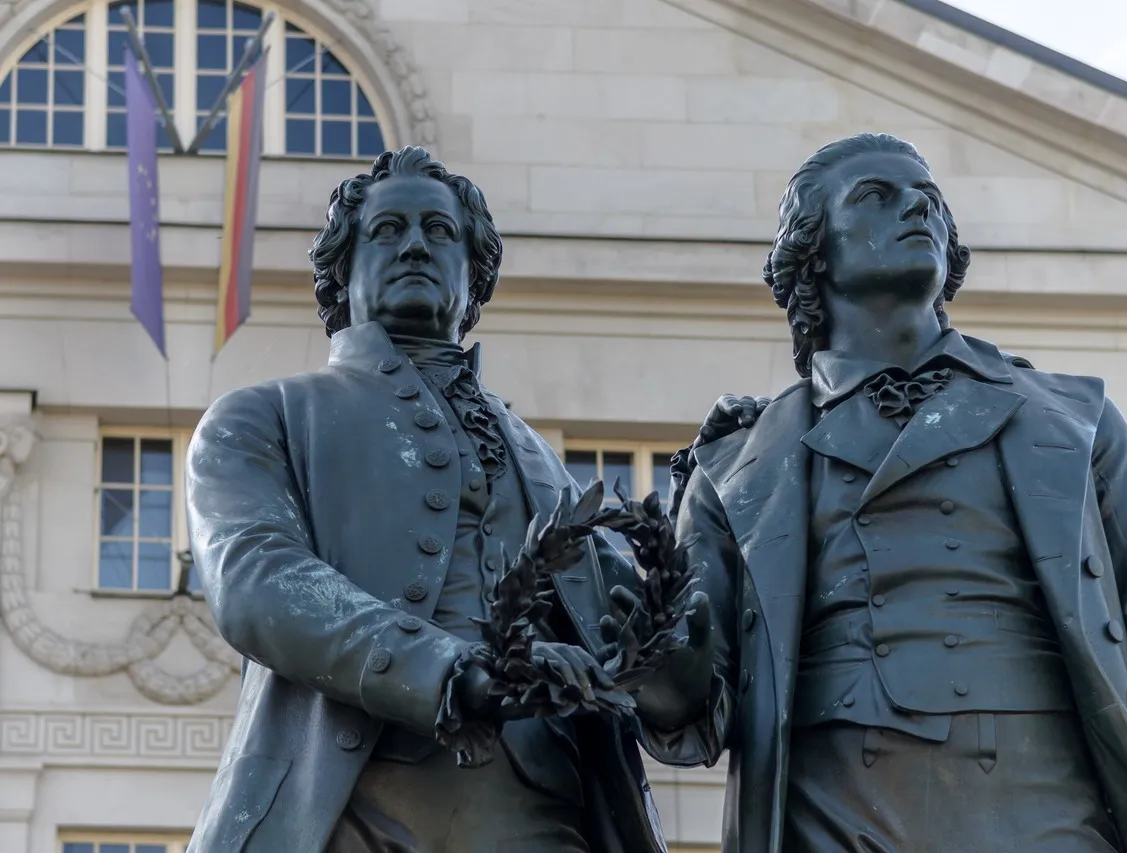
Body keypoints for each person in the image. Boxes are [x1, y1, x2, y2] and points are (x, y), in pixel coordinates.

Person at [663, 133, 1127, 853]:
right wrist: (653, 654)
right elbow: (693, 698)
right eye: (876, 196)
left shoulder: (1072, 420)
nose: (917, 208)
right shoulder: (736, 464)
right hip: (832, 818)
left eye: (928, 198)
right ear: (815, 250)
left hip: (1043, 812)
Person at [183, 146, 728, 853]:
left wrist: (672, 656)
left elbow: (670, 689)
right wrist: (446, 670)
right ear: (342, 271)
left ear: (475, 279)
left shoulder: (548, 469)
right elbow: (254, 577)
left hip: (541, 805)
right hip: (346, 805)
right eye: (388, 230)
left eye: (440, 231)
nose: (415, 243)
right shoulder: (265, 417)